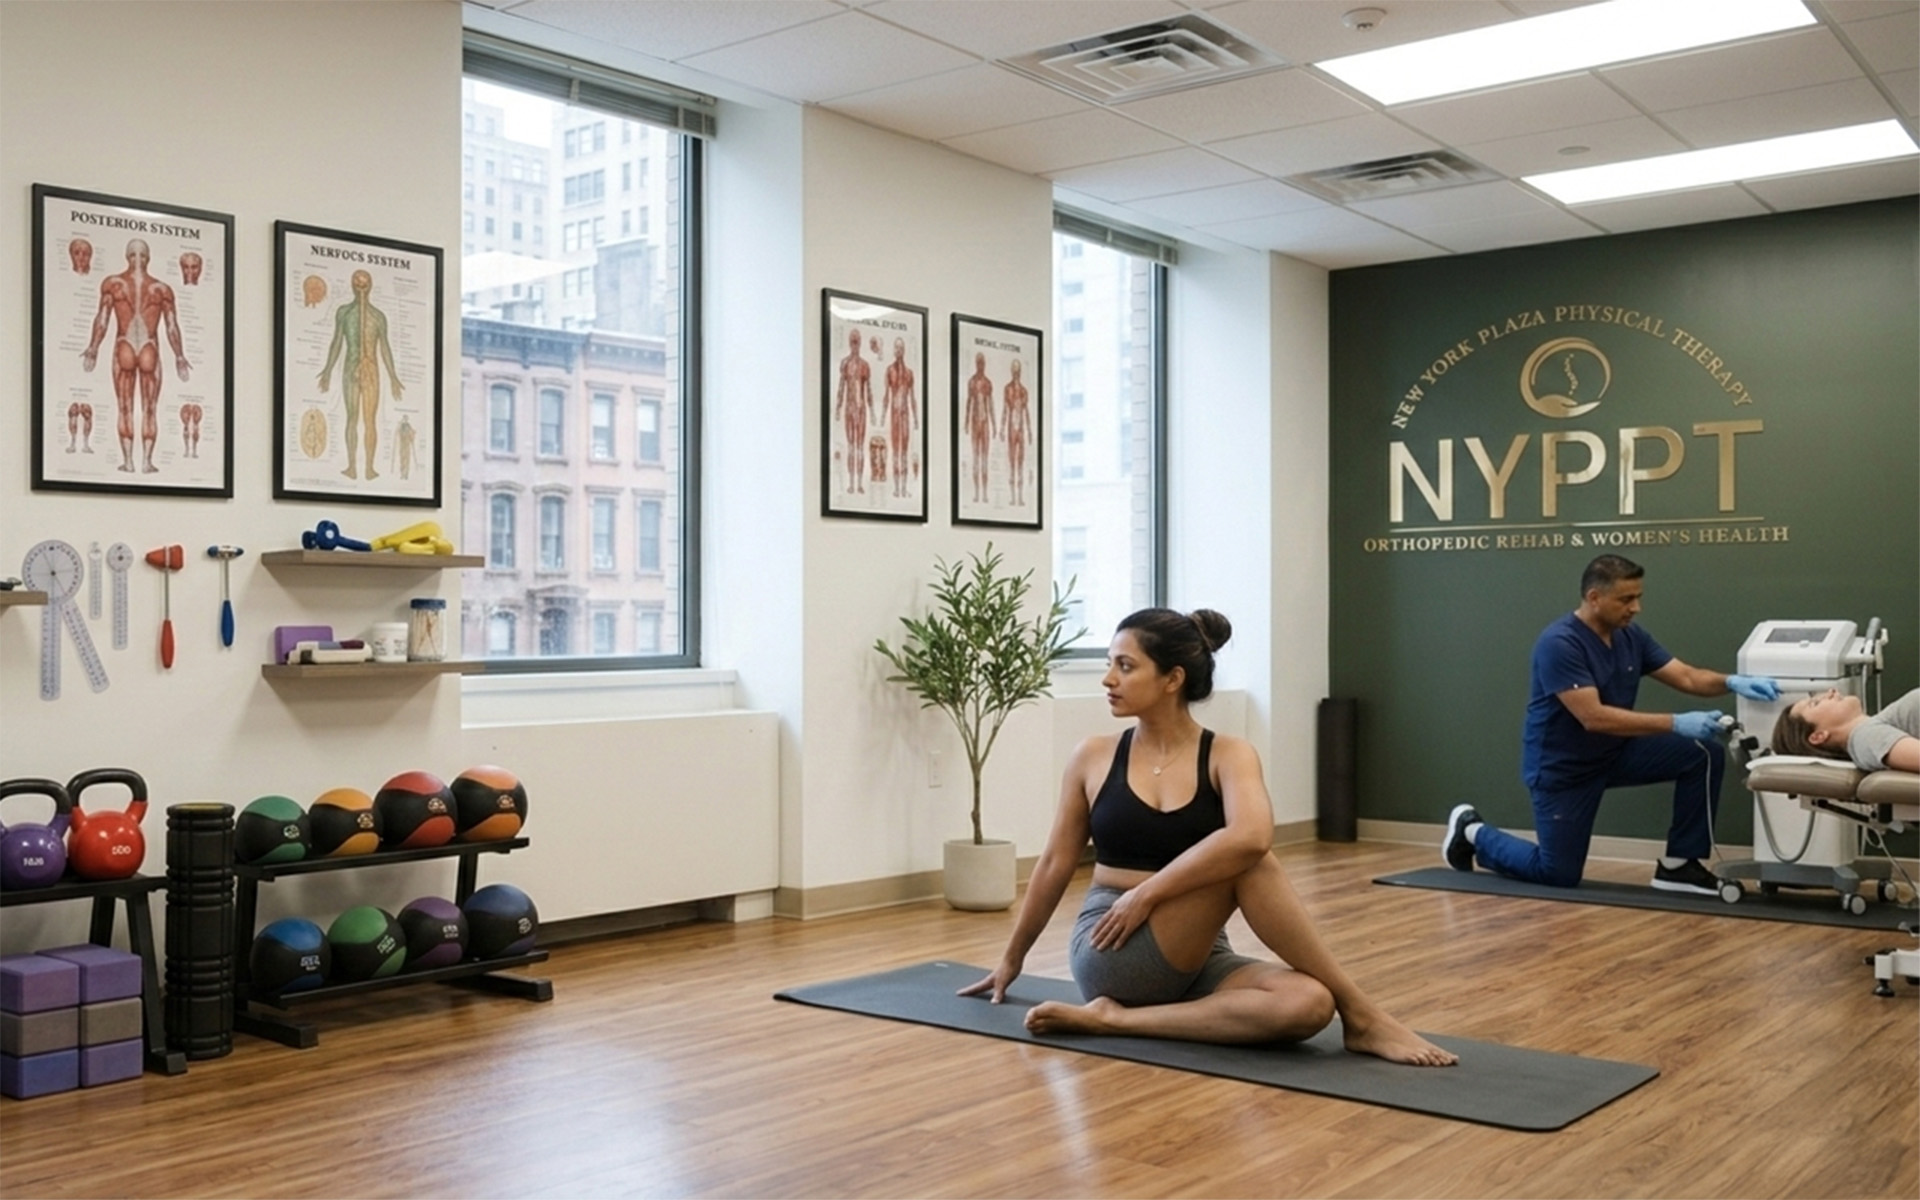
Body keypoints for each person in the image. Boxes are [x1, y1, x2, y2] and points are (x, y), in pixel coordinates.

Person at [961, 607, 1457, 1066]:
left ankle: (1118, 1021)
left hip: (1197, 954)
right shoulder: (1092, 755)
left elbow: (1254, 834)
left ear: (1173, 679)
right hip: (1112, 943)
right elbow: (1053, 864)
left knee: (1308, 1004)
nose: (1109, 680)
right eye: (1111, 664)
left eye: (1126, 667)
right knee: (1249, 862)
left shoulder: (1228, 755)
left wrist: (1150, 892)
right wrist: (1011, 959)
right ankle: (1365, 1015)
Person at [1443, 554, 1781, 894]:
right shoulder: (1560, 644)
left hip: (1614, 755)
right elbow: (1593, 717)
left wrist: (1733, 681)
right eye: (1626, 599)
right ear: (1594, 598)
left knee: (1702, 753)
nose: (1636, 608)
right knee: (1557, 872)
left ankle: (1679, 867)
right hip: (1564, 769)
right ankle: (1472, 831)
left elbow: (1688, 677)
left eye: (1638, 597)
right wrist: (1676, 722)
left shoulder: (1630, 636)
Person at [81, 238, 190, 474]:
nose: (138, 259)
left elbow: (103, 318)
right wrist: (179, 356)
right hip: (149, 346)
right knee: (150, 408)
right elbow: (171, 326)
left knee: (125, 407)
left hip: (124, 345)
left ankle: (129, 462)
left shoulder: (114, 284)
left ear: (128, 256)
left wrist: (94, 348)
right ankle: (146, 462)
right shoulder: (161, 289)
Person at [318, 269, 404, 481]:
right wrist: (328, 370)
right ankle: (351, 466)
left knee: (370, 420)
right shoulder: (344, 312)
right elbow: (337, 342)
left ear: (371, 284)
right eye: (357, 282)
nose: (361, 286)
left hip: (372, 370)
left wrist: (393, 376)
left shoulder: (378, 316)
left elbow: (385, 348)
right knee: (352, 418)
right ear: (352, 285)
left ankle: (369, 468)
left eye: (365, 282)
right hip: (350, 368)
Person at [1770, 687, 1919, 773]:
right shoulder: (1865, 737)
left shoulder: (1874, 728)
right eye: (1815, 703)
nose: (1830, 692)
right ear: (1818, 736)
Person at [832, 328, 872, 494]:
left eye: (857, 340)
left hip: (861, 409)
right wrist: (838, 407)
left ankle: (860, 483)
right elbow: (841, 387)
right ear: (849, 342)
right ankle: (850, 483)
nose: (855, 343)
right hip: (849, 408)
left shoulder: (864, 365)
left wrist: (874, 411)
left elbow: (868, 390)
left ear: (860, 342)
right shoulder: (845, 363)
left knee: (860, 447)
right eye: (852, 340)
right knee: (850, 446)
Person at [883, 337, 917, 498]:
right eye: (896, 348)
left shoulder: (909, 373)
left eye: (900, 348)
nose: (898, 350)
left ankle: (904, 488)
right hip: (894, 415)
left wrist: (916, 418)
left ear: (904, 350)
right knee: (896, 452)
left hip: (905, 415)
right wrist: (882, 416)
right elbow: (886, 395)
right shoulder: (889, 370)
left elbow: (912, 397)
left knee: (904, 453)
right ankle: (897, 489)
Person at [963, 352, 996, 504]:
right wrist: (965, 422)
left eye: (983, 362)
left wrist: (994, 424)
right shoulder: (972, 382)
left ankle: (985, 494)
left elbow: (991, 405)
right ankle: (976, 493)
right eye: (978, 362)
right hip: (975, 422)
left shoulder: (988, 383)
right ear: (976, 363)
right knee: (976, 459)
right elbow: (969, 403)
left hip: (985, 423)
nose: (981, 365)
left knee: (985, 460)